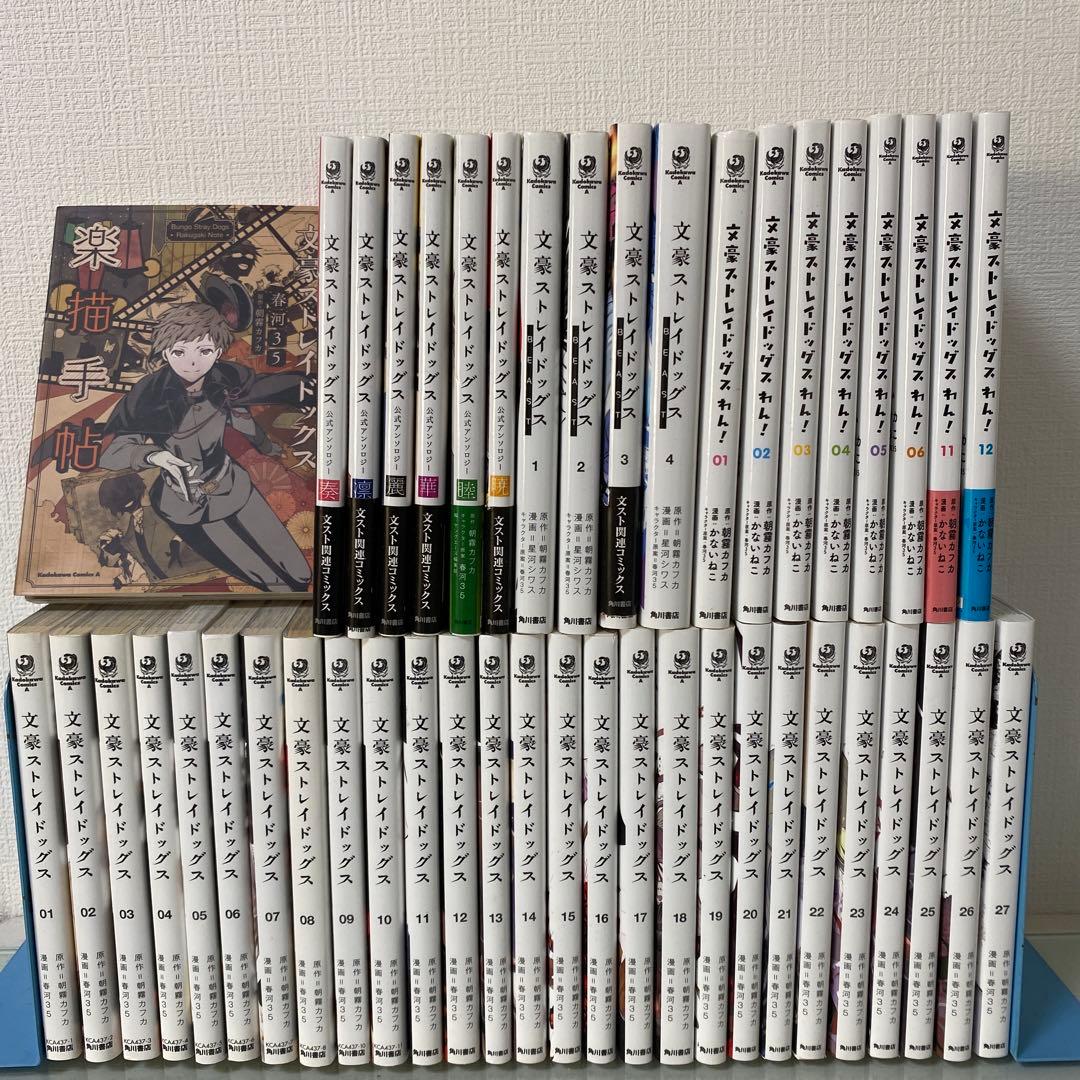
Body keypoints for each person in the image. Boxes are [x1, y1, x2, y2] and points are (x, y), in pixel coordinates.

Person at [100, 302, 311, 592]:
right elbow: (111, 453)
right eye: (179, 352)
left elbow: (246, 416)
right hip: (183, 500)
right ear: (165, 353)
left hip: (232, 482)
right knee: (265, 577)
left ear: (218, 351)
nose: (192, 363)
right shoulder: (148, 395)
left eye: (204, 351)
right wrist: (156, 456)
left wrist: (269, 447)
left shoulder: (227, 379)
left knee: (297, 568)